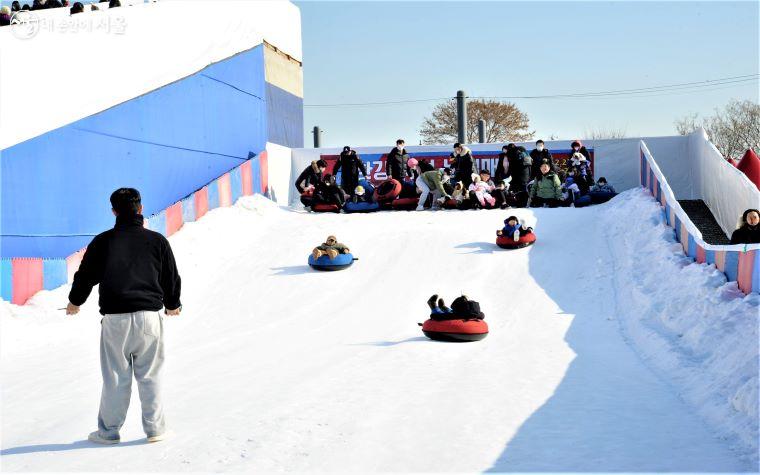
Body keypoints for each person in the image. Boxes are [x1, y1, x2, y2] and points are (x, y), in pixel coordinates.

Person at [66, 188, 181, 445]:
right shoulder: (157, 241)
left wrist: (75, 302)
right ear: (140, 208)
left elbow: (85, 276)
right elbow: (170, 277)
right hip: (149, 317)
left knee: (115, 376)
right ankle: (156, 430)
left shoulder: (103, 241)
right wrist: (173, 304)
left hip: (115, 319)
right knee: (150, 375)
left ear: (114, 211)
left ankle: (108, 432)